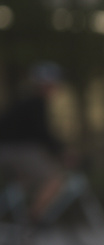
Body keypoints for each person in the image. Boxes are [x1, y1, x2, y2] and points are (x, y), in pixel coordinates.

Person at [0, 62, 69, 222]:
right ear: (46, 84)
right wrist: (62, 151)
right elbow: (42, 134)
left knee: (28, 182)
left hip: (11, 149)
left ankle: (18, 221)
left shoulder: (24, 101)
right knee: (55, 179)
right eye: (54, 84)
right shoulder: (37, 104)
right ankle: (33, 219)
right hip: (16, 150)